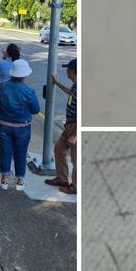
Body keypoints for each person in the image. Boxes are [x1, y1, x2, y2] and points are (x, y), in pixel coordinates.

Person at [0, 59, 40, 191]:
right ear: (25, 75)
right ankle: (19, 180)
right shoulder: (29, 90)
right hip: (22, 126)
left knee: (5, 152)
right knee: (21, 153)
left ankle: (4, 180)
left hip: (3, 125)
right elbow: (35, 110)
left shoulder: (3, 86)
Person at [45, 59, 78, 194]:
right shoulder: (76, 86)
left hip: (76, 127)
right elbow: (71, 94)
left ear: (73, 71)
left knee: (76, 159)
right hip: (69, 126)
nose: (66, 72)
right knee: (59, 149)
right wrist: (58, 84)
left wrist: (75, 135)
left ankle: (75, 186)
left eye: (68, 69)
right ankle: (62, 178)